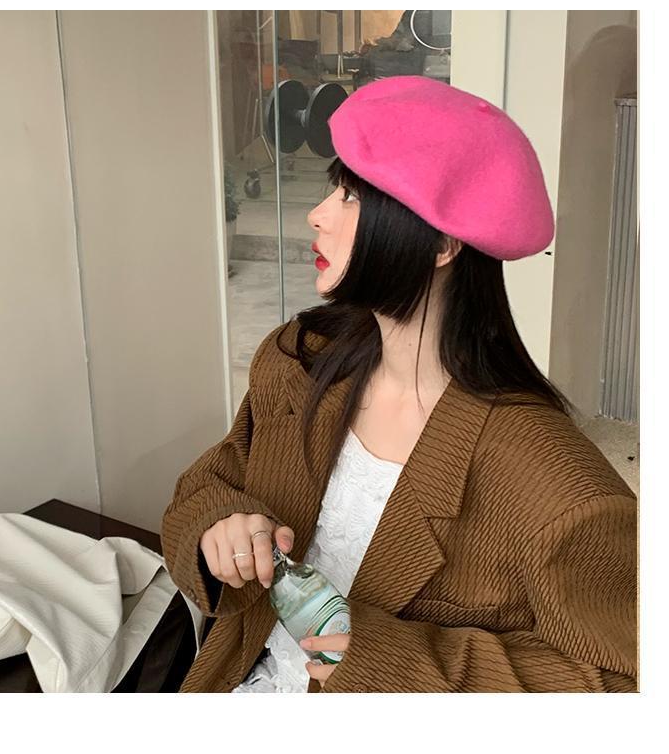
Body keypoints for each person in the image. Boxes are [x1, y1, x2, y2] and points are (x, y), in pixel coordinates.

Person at [160, 75, 637, 693]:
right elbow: (208, 484)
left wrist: (386, 661)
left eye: (352, 197)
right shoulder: (299, 361)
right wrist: (221, 526)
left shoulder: (552, 481)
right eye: (333, 188)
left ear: (440, 243)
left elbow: (621, 682)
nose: (317, 215)